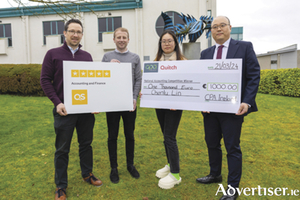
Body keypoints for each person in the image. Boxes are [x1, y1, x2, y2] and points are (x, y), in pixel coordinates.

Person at [196, 16, 260, 200]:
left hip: (233, 109)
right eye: (214, 27)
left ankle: (232, 188)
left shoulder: (245, 47)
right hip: (210, 110)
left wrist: (247, 102)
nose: (218, 29)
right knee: (212, 143)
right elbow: (202, 80)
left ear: (230, 28)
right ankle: (215, 174)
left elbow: (254, 75)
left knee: (232, 147)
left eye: (222, 25)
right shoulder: (205, 53)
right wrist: (202, 101)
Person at [40, 19, 102, 200]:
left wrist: (95, 103)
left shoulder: (87, 56)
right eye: (72, 31)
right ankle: (61, 185)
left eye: (79, 32)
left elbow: (91, 83)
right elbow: (45, 80)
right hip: (64, 111)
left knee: (86, 145)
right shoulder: (53, 54)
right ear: (65, 33)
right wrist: (57, 102)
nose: (75, 34)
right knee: (62, 150)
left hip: (85, 112)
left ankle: (87, 174)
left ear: (82, 35)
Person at [102, 27, 142, 184]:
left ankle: (130, 165)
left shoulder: (135, 57)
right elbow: (101, 78)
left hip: (129, 104)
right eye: (118, 37)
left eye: (124, 37)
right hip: (112, 104)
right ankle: (114, 168)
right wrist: (107, 67)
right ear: (114, 39)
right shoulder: (107, 57)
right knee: (112, 136)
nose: (121, 39)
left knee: (129, 135)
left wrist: (134, 98)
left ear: (128, 39)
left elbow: (138, 79)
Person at [153, 30, 186, 189]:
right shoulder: (155, 61)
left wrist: (179, 101)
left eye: (169, 41)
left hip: (174, 106)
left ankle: (176, 174)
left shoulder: (182, 61)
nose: (166, 44)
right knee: (165, 136)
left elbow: (187, 84)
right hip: (160, 105)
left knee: (170, 137)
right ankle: (169, 163)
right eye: (163, 41)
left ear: (175, 43)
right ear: (160, 44)